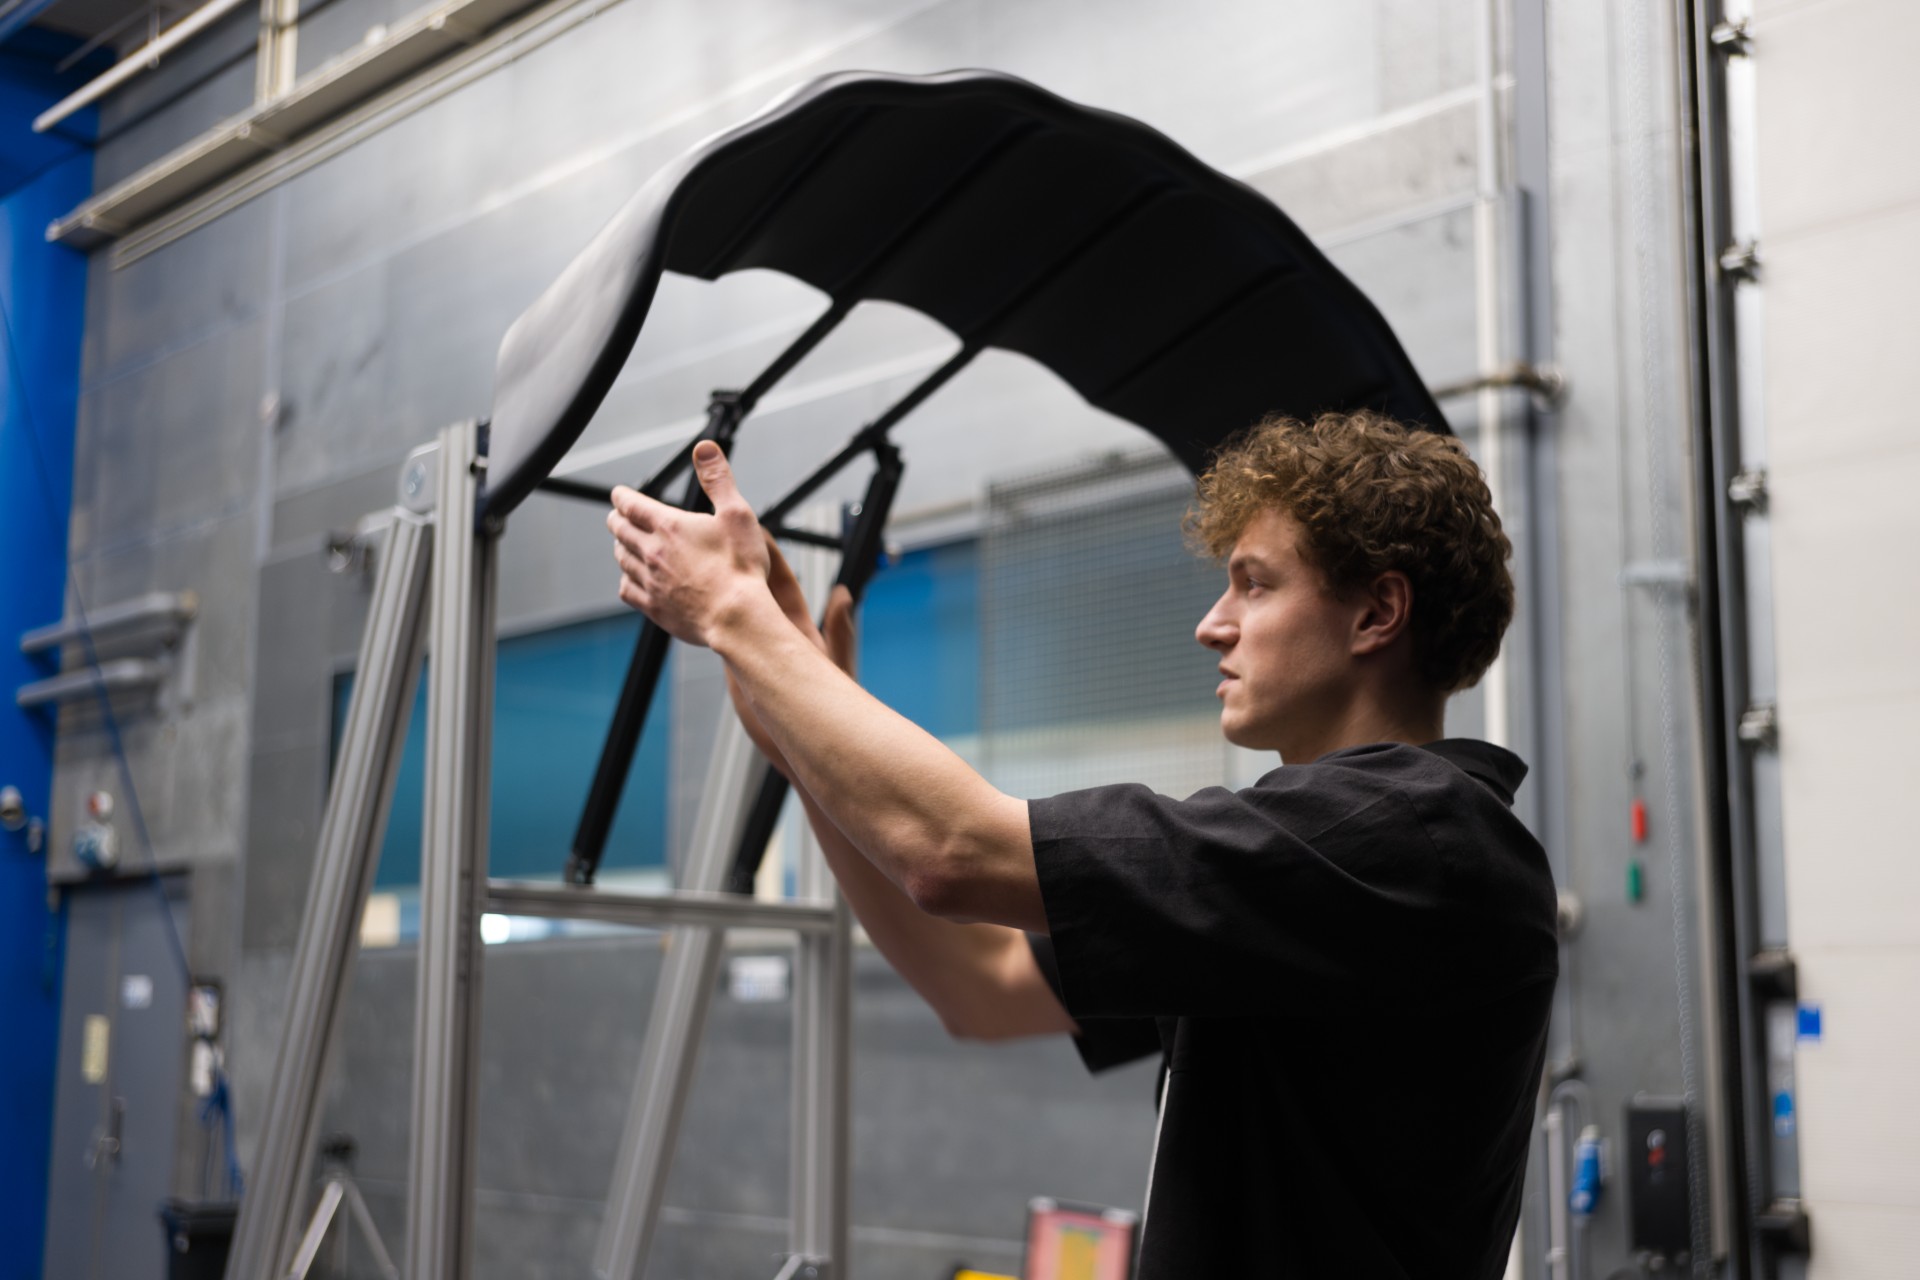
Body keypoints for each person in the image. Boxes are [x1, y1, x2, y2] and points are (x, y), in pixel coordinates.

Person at [608, 410, 1559, 1279]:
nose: (1210, 625)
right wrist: (799, 744)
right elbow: (978, 985)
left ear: (1375, 614)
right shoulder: (1312, 864)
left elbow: (952, 852)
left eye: (1254, 584)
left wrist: (737, 619)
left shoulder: (1412, 841)